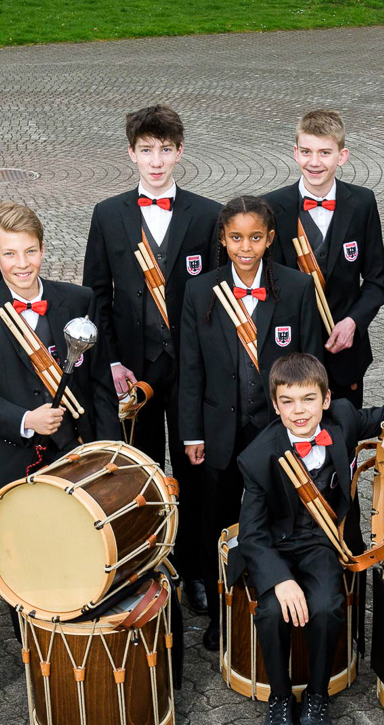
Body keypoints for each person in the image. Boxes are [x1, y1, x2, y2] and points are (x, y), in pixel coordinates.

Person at [235, 353, 384, 725]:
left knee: (326, 606)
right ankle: (280, 697)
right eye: (287, 401)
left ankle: (317, 694)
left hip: (322, 542)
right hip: (276, 545)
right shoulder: (257, 456)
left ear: (326, 399)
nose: (299, 411)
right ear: (275, 405)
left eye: (308, 399)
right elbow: (252, 534)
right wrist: (280, 580)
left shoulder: (344, 419)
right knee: (271, 610)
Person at [82, 104, 222, 612]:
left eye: (165, 150)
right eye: (146, 151)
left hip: (189, 369)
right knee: (139, 472)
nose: (156, 161)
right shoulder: (108, 214)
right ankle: (141, 566)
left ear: (179, 152)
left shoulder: (207, 214)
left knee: (194, 471)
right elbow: (95, 294)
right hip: (132, 369)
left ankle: (197, 569)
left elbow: (217, 294)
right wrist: (111, 361)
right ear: (131, 154)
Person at [180, 196, 325, 650]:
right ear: (223, 239)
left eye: (256, 238)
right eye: (236, 238)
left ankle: (278, 606)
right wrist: (192, 432)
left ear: (270, 239)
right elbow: (191, 368)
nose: (246, 247)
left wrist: (304, 426)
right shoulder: (200, 290)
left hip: (274, 431)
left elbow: (310, 363)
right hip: (218, 430)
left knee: (275, 517)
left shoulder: (296, 287)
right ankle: (222, 613)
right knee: (219, 520)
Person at [0, 201, 98, 495]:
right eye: (9, 254)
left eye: (30, 251)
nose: (22, 264)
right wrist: (26, 420)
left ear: (43, 249)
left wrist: (107, 448)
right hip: (10, 465)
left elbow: (100, 383)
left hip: (78, 455)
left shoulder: (79, 300)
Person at [263, 109, 384, 407]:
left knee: (346, 429)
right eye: (306, 151)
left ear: (342, 156)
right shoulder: (271, 206)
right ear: (295, 153)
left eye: (325, 152)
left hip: (345, 352)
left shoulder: (362, 203)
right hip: (289, 354)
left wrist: (353, 322)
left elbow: (377, 280)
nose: (314, 162)